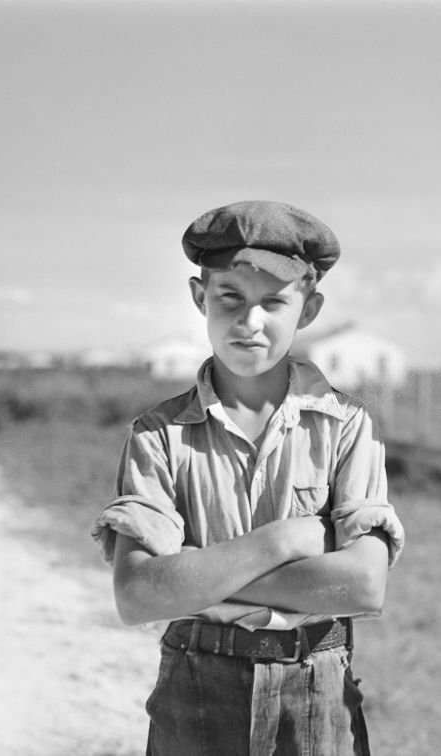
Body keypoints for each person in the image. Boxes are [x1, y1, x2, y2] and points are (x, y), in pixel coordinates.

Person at [91, 200, 404, 755]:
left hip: (317, 685)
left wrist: (195, 574)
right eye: (229, 298)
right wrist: (279, 542)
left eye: (274, 302)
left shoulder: (346, 426)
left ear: (308, 309)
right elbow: (138, 594)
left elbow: (362, 585)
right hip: (196, 683)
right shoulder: (159, 434)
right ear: (198, 297)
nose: (249, 322)